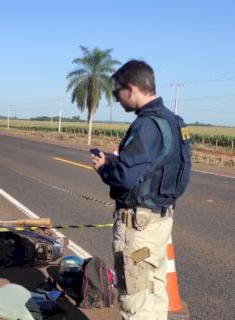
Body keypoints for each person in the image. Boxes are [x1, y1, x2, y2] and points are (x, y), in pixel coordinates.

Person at [91, 60, 191, 320]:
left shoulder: (146, 125)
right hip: (161, 222)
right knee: (156, 292)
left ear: (131, 89)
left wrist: (104, 167)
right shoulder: (175, 122)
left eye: (118, 94)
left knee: (135, 299)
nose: (118, 101)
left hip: (138, 229)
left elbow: (124, 178)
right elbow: (160, 167)